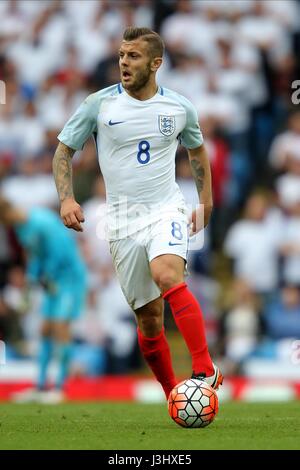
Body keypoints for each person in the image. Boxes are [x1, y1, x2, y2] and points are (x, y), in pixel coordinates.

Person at [53, 27, 223, 399]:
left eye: (133, 56)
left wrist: (205, 202)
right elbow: (64, 150)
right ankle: (173, 395)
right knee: (149, 321)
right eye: (121, 55)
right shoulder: (99, 104)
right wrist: (66, 198)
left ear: (155, 63)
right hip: (122, 220)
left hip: (166, 208)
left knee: (167, 273)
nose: (124, 63)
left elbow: (197, 151)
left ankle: (204, 369)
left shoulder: (179, 107)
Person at [0, 197, 87, 403]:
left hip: (69, 279)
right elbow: (34, 257)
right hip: (52, 282)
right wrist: (30, 284)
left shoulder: (42, 221)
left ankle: (59, 387)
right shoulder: (22, 230)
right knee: (45, 329)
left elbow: (62, 250)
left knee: (60, 328)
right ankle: (40, 386)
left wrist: (47, 275)